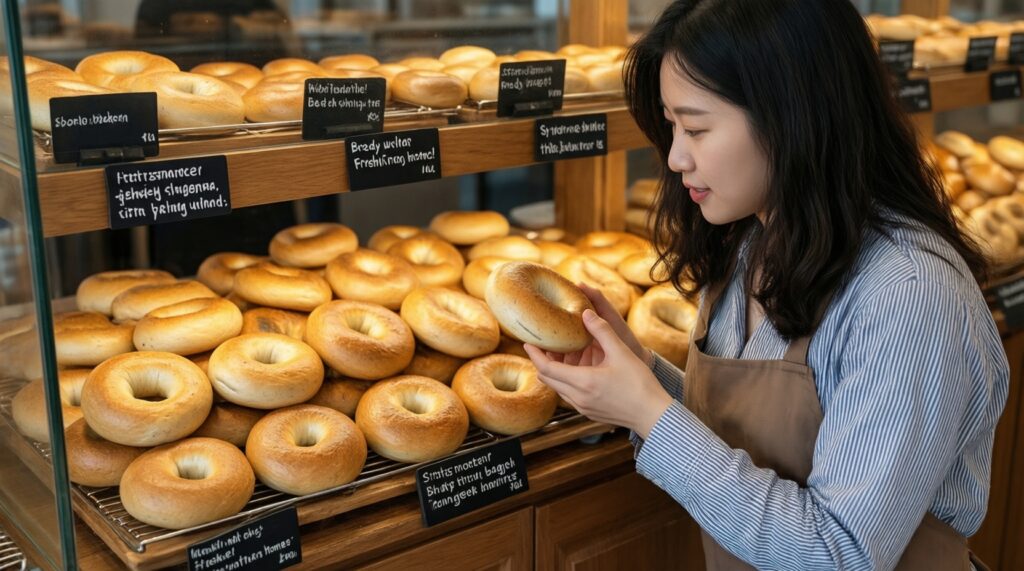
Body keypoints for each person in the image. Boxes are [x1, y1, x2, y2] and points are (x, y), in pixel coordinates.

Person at [522, 1, 1010, 570]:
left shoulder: (908, 294)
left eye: (697, 127)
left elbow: (839, 554)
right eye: (672, 124)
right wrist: (642, 376)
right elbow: (761, 448)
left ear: (792, 117)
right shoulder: (752, 242)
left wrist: (651, 415)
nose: (676, 156)